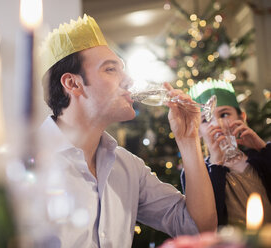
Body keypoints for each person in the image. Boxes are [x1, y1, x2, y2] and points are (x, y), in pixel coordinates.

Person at [36, 14, 216, 247]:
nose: (129, 80)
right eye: (111, 69)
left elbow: (198, 228)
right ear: (72, 84)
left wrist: (188, 140)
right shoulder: (26, 165)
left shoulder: (128, 167)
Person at [181, 80, 271, 226]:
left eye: (224, 115)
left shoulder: (259, 157)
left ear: (242, 117)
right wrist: (216, 163)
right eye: (206, 119)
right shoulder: (195, 172)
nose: (216, 124)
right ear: (197, 131)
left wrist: (263, 148)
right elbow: (206, 221)